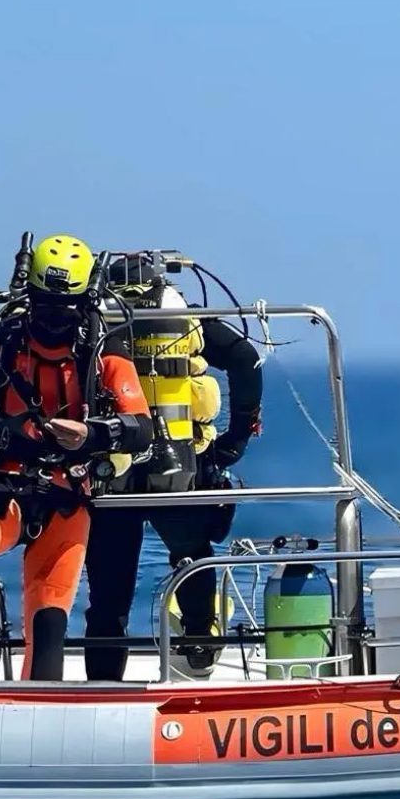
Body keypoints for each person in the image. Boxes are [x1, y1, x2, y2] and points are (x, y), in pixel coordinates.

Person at [0, 234, 152, 685]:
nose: (52, 320)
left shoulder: (103, 351)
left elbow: (141, 426)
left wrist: (90, 434)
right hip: (4, 485)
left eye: (62, 309)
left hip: (66, 492)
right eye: (44, 306)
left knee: (50, 616)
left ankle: (41, 696)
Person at [83, 251, 263, 681]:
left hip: (113, 472)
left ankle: (102, 686)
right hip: (179, 464)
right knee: (191, 557)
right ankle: (199, 641)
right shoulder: (186, 321)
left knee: (108, 596)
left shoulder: (94, 321)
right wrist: (235, 439)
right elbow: (244, 358)